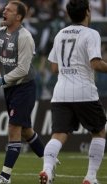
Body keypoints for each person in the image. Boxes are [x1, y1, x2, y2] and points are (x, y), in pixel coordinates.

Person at [0, 1, 51, 183]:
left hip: (24, 87)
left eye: (9, 10)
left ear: (19, 17)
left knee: (14, 128)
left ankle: (5, 176)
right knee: (26, 131)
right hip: (9, 87)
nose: (4, 11)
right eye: (5, 8)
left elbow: (23, 70)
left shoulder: (25, 37)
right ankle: (49, 161)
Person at [39, 0, 107, 184]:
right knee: (99, 132)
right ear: (88, 12)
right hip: (84, 92)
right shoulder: (91, 33)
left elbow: (53, 67)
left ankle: (46, 170)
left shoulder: (61, 34)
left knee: (59, 134)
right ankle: (90, 177)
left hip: (61, 93)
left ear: (69, 15)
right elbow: (95, 63)